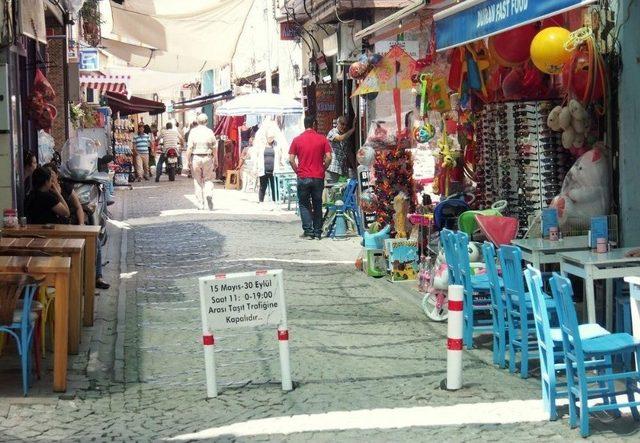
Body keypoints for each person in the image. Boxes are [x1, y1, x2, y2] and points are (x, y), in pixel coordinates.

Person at [289, 115, 332, 240]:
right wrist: (323, 168)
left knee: (304, 203)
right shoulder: (322, 139)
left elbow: (291, 159)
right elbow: (329, 157)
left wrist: (298, 171)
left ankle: (308, 231)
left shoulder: (297, 140)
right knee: (317, 203)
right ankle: (318, 232)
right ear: (314, 124)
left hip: (303, 176)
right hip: (318, 176)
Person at [186, 113, 217, 210]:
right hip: (207, 157)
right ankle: (208, 194)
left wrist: (188, 160)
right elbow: (214, 146)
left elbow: (190, 147)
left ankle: (200, 203)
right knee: (208, 179)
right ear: (207, 121)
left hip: (196, 157)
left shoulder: (193, 132)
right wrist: (215, 159)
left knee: (197, 180)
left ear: (197, 122)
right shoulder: (210, 131)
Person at [254, 129, 284, 203]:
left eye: (272, 137)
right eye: (269, 137)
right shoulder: (261, 145)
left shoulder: (277, 145)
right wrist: (255, 167)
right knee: (262, 186)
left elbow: (280, 155)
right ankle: (261, 201)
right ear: (266, 137)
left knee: (274, 186)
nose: (271, 139)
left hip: (274, 169)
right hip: (263, 169)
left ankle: (275, 201)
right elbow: (257, 157)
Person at [326, 116, 356, 183]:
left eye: (346, 125)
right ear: (337, 123)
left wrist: (355, 168)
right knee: (333, 191)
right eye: (342, 124)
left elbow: (349, 153)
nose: (344, 126)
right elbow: (339, 138)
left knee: (342, 191)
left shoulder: (346, 136)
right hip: (333, 170)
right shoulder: (332, 132)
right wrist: (353, 129)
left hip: (343, 170)